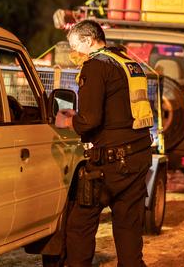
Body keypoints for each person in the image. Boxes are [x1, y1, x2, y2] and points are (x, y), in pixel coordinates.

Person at [55, 20, 153, 267]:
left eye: (75, 46)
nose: (74, 52)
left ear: (88, 40)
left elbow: (90, 120)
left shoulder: (95, 66)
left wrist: (68, 121)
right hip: (138, 155)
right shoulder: (128, 63)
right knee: (128, 224)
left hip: (109, 162)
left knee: (80, 224)